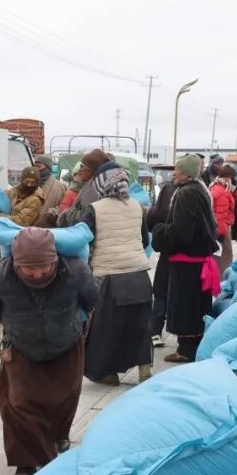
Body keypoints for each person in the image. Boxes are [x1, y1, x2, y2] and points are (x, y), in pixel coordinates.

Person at [0, 227, 99, 475]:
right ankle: (26, 464)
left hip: (66, 342)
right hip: (21, 346)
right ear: (16, 263)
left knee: (64, 397)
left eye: (44, 267)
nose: (37, 274)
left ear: (55, 260)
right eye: (28, 269)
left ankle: (59, 435)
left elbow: (91, 299)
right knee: (19, 403)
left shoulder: (76, 271)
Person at [79, 161, 153, 385]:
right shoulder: (138, 207)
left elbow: (84, 242)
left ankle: (107, 373)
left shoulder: (94, 209)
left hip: (109, 276)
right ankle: (144, 369)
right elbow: (145, 240)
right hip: (139, 274)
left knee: (106, 329)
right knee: (139, 325)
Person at [151, 155, 219, 363]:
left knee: (186, 306)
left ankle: (186, 350)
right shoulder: (200, 189)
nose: (174, 175)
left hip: (187, 263)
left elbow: (181, 232)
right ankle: (193, 347)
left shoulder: (186, 193)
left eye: (177, 172)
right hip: (197, 259)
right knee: (195, 306)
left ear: (186, 173)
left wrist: (159, 230)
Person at [146, 174, 175, 346]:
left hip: (165, 255)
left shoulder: (156, 212)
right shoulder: (183, 209)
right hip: (185, 258)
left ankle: (155, 330)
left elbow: (149, 227)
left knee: (161, 294)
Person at [57, 149, 108, 224]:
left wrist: (66, 214)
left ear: (91, 170)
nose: (79, 170)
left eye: (82, 166)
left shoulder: (92, 191)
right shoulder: (89, 187)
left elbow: (85, 217)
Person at [209, 164, 237, 276]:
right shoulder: (222, 192)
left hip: (215, 228)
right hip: (221, 230)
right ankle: (222, 282)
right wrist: (221, 233)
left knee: (216, 259)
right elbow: (221, 214)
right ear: (228, 177)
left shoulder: (215, 187)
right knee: (224, 261)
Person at [33, 155, 66, 224]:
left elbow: (64, 208)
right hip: (27, 227)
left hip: (48, 227)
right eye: (34, 167)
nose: (36, 169)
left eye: (38, 167)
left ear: (48, 168)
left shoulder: (61, 187)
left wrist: (54, 213)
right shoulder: (29, 184)